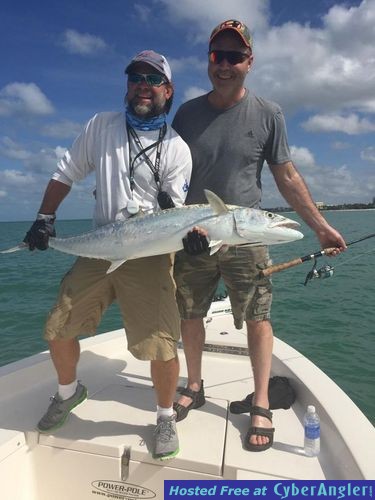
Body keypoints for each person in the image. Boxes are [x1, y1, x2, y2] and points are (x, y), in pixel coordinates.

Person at [172, 20, 346, 452]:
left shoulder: (269, 113)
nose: (225, 65)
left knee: (257, 315)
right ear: (209, 61)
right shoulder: (186, 114)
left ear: (250, 62)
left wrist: (320, 227)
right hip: (192, 234)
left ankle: (262, 400)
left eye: (235, 56)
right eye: (218, 56)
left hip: (247, 237)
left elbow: (285, 175)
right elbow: (168, 177)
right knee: (189, 312)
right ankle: (194, 385)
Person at [23, 50, 192, 460]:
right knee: (58, 326)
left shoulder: (177, 148)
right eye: (135, 77)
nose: (143, 86)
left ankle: (165, 415)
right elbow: (66, 171)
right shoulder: (101, 126)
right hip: (102, 245)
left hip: (150, 254)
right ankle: (68, 392)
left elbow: (175, 214)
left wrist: (191, 234)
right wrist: (45, 217)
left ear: (168, 91)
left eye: (153, 80)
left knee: (161, 344)